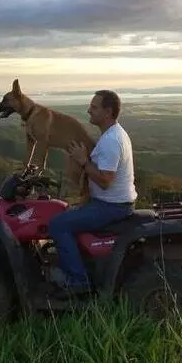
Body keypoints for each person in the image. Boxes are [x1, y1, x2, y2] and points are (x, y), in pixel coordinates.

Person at [47, 89, 137, 296]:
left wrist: (83, 161)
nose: (89, 110)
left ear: (108, 112)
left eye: (94, 107)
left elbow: (105, 181)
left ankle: (78, 281)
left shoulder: (112, 141)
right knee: (65, 214)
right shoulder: (113, 135)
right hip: (109, 203)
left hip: (111, 207)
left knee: (58, 225)